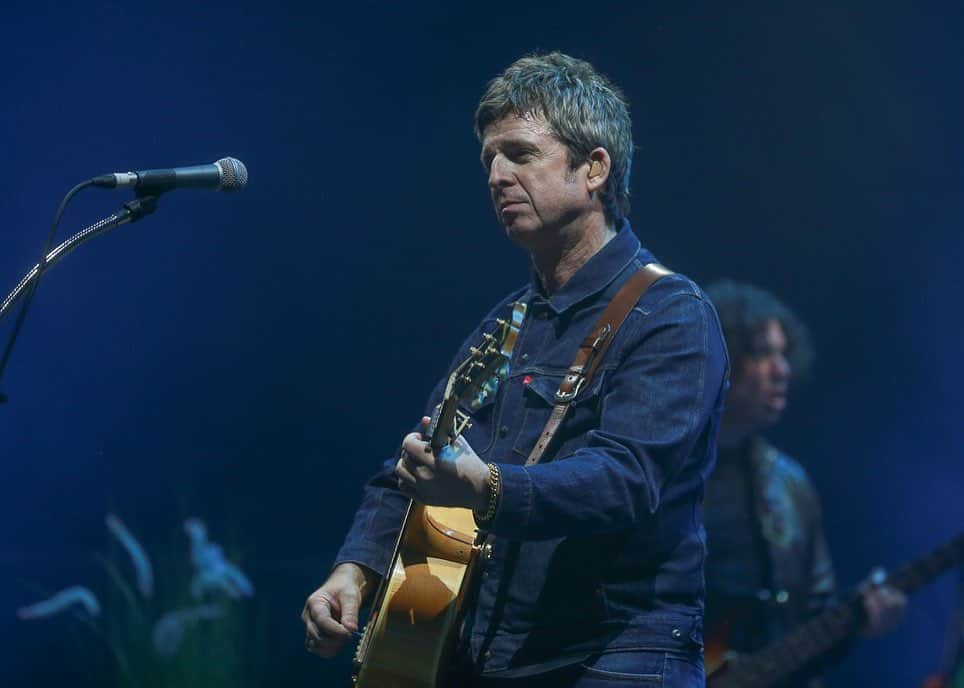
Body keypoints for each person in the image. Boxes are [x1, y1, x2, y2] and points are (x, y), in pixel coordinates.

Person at [302, 51, 728, 687]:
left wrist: (487, 488)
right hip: (493, 660)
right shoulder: (505, 323)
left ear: (594, 169)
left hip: (618, 659)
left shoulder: (672, 314)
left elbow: (627, 478)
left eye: (520, 154)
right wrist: (354, 570)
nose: (497, 175)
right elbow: (413, 467)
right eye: (489, 161)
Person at [703, 279, 906, 686]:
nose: (782, 369)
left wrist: (859, 620)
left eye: (784, 353)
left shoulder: (788, 484)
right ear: (719, 359)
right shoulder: (664, 469)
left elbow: (811, 620)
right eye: (762, 353)